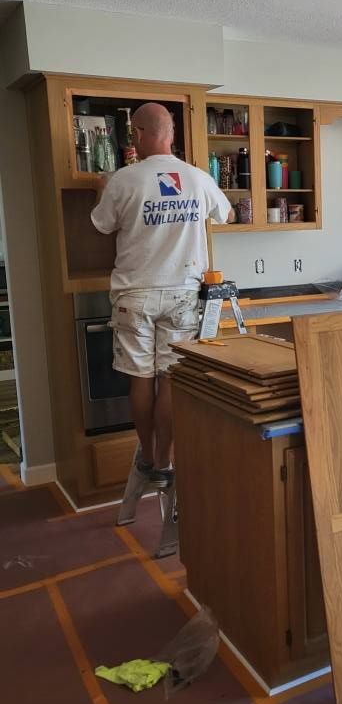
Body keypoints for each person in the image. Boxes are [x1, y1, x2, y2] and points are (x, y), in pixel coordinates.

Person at [91, 102, 234, 488]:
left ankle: (149, 457)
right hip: (183, 294)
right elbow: (227, 215)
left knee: (140, 379)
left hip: (134, 295)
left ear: (138, 134)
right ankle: (166, 463)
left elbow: (102, 225)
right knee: (170, 378)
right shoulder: (198, 178)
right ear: (172, 134)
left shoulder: (124, 179)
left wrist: (102, 187)